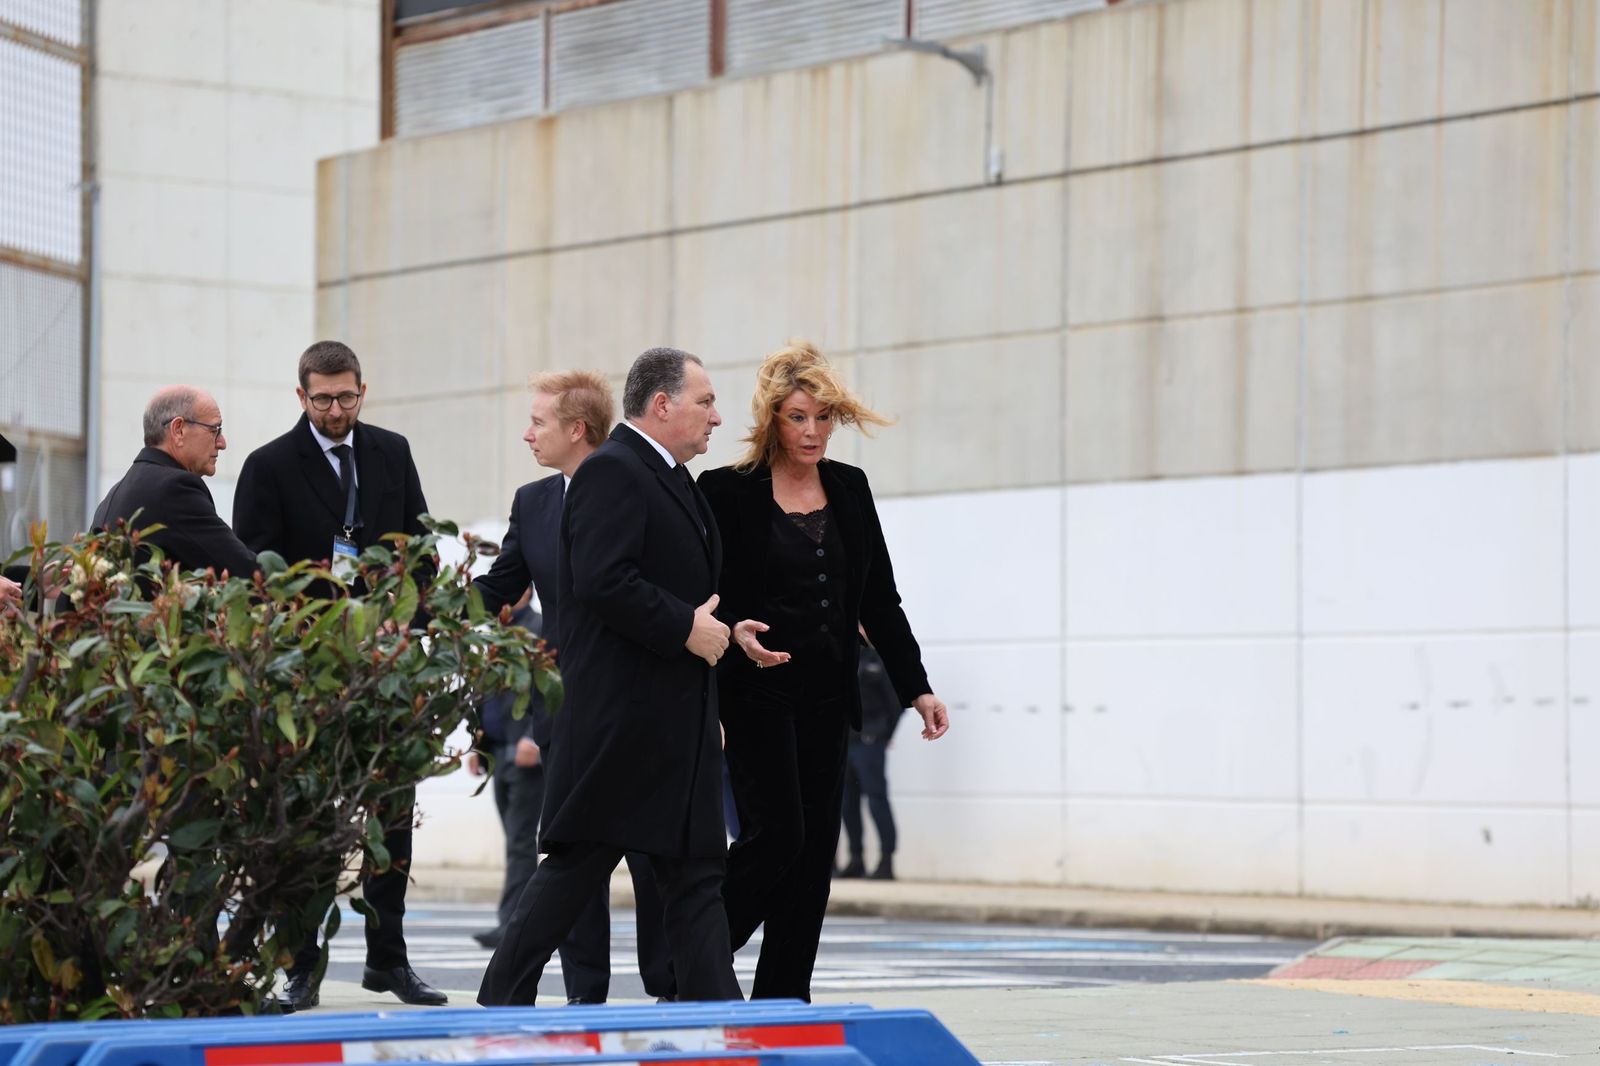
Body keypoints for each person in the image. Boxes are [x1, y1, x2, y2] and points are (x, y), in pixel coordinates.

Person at [478, 346, 742, 1006]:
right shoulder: (614, 473)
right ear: (662, 406)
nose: (717, 417)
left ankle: (725, 1023)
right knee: (578, 868)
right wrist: (686, 627)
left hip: (674, 722)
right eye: (705, 402)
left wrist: (730, 631)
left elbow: (684, 587)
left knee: (696, 878)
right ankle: (498, 1003)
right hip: (623, 723)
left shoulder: (675, 480)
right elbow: (603, 581)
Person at [698, 340, 950, 1002]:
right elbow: (703, 596)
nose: (812, 432)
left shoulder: (849, 487)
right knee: (777, 834)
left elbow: (879, 599)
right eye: (797, 418)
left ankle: (784, 995)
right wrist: (727, 643)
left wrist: (915, 686)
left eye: (822, 418)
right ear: (771, 420)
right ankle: (691, 961)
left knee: (813, 859)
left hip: (826, 696)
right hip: (753, 690)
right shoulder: (725, 491)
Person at [231, 340, 443, 1010]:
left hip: (385, 670)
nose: (334, 409)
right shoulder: (266, 466)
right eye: (321, 398)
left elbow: (422, 550)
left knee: (394, 820)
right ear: (302, 397)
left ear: (362, 390)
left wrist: (403, 622)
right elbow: (255, 576)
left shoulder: (392, 451)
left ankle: (390, 961)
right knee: (310, 827)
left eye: (345, 397)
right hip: (310, 678)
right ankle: (303, 968)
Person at [470, 370, 674, 1003]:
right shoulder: (532, 502)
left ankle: (667, 987)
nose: (526, 433)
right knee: (571, 860)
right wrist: (418, 611)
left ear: (577, 429)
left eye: (537, 422)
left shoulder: (643, 486)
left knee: (654, 864)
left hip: (642, 712)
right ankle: (585, 993)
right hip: (569, 713)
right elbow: (500, 587)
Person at [92, 385, 257, 577]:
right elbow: (242, 571)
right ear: (178, 430)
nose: (222, 443)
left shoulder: (116, 492)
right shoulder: (174, 489)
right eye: (215, 430)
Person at [838, 634, 906, 880]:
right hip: (846, 743)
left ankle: (886, 859)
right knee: (846, 802)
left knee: (876, 799)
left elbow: (897, 702)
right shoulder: (843, 656)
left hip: (870, 741)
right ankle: (856, 858)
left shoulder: (878, 659)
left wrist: (883, 733)